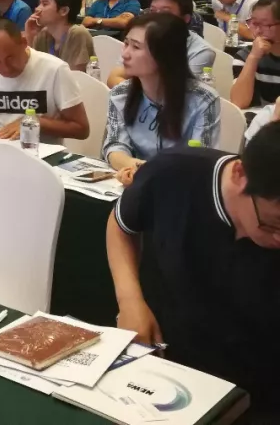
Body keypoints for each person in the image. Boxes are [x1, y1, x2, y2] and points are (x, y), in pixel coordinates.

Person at [106, 123, 280, 420]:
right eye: (273, 225)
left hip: (261, 380)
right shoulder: (174, 174)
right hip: (169, 361)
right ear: (240, 174)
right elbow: (122, 224)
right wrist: (130, 301)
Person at [102, 14, 220, 186]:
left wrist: (149, 172)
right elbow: (115, 145)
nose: (125, 54)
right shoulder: (120, 94)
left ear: (164, 55)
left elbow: (201, 160)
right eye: (126, 44)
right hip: (132, 182)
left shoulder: (203, 100)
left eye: (136, 47)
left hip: (179, 186)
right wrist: (133, 167)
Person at [107, 0, 215, 85]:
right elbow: (113, 78)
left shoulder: (200, 51)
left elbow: (178, 91)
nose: (156, 18)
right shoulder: (139, 39)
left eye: (165, 13)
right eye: (153, 11)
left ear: (185, 19)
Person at [23, 0, 95, 71]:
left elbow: (75, 76)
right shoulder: (43, 34)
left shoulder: (78, 34)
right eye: (39, 4)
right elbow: (30, 71)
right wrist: (30, 36)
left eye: (45, 4)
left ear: (63, 11)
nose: (37, 9)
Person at [232, 0, 280, 110]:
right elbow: (238, 102)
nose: (257, 31)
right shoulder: (244, 56)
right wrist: (253, 57)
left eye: (265, 24)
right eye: (254, 23)